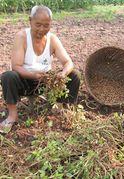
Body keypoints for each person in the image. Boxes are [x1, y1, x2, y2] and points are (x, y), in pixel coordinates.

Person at [0, 5, 80, 133]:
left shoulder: (52, 39)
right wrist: (35, 75)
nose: (42, 29)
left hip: (46, 82)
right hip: (25, 81)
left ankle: (63, 110)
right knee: (8, 76)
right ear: (30, 20)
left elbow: (68, 62)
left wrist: (63, 74)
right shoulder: (22, 37)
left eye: (46, 25)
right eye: (38, 25)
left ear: (50, 24)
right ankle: (12, 115)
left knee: (74, 75)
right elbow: (16, 66)